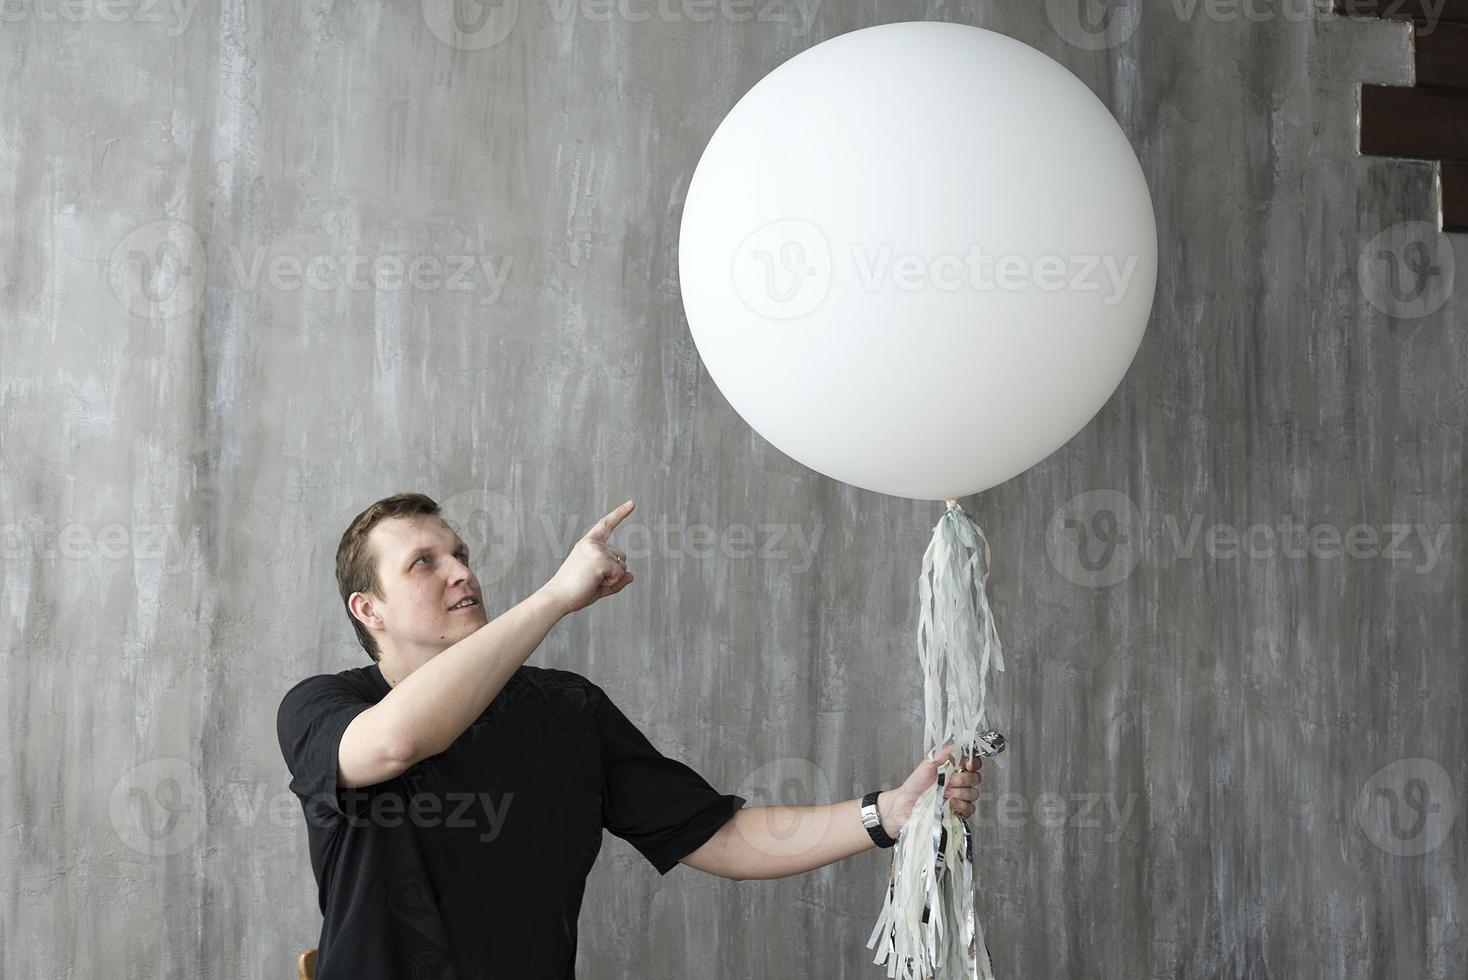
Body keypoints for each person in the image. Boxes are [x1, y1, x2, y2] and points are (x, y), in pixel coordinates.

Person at [276, 492, 983, 979]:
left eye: (459, 552)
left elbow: (720, 838)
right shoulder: (324, 708)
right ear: (368, 609)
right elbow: (394, 745)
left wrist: (884, 814)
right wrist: (555, 597)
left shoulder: (564, 710)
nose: (461, 570)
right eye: (424, 562)